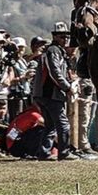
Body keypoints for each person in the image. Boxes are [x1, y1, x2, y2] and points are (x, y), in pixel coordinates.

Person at [32, 22, 78, 161]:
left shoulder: (56, 51)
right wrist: (67, 87)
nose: (65, 39)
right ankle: (64, 152)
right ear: (55, 37)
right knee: (63, 124)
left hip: (44, 94)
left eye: (67, 36)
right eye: (62, 37)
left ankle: (44, 152)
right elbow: (55, 72)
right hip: (50, 93)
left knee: (50, 125)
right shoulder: (53, 50)